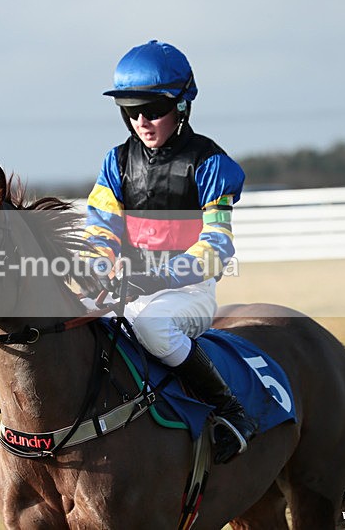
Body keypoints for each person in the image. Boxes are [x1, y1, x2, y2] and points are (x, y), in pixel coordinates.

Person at [83, 40, 256, 463]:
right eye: (130, 110)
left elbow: (217, 247)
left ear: (182, 105)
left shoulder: (210, 164)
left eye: (153, 108)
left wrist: (154, 277)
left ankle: (232, 409)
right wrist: (99, 265)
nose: (141, 120)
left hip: (189, 293)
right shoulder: (117, 161)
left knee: (154, 325)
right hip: (129, 288)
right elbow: (100, 227)